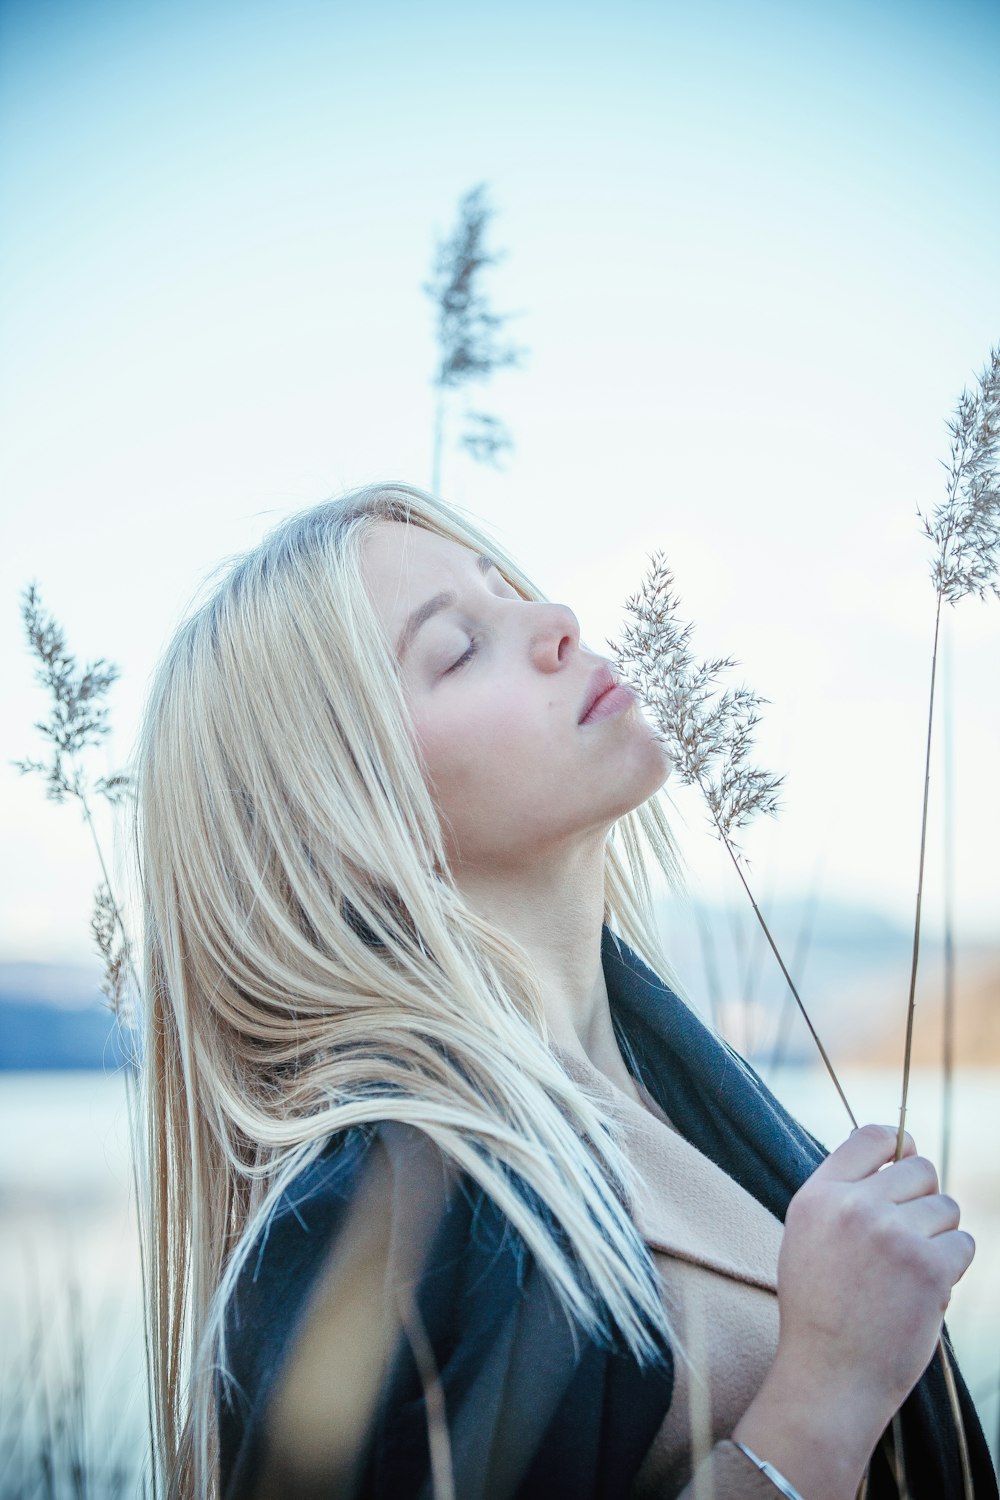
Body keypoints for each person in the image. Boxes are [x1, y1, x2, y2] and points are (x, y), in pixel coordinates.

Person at [134, 482, 994, 1500]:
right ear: (339, 817)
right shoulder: (386, 1215)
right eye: (456, 649)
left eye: (506, 592)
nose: (556, 622)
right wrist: (821, 1400)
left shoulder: (668, 1095)